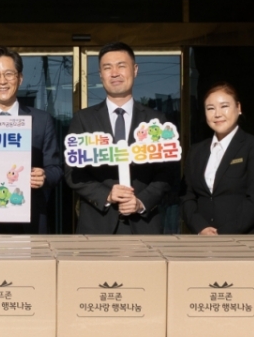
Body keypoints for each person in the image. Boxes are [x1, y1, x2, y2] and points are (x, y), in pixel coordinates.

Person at [66, 42, 178, 234]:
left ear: (135, 70)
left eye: (121, 66)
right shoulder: (83, 119)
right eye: (107, 68)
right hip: (97, 225)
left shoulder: (156, 121)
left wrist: (142, 201)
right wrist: (107, 195)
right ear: (101, 74)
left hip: (144, 225)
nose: (114, 73)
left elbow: (168, 172)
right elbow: (73, 173)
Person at [0, 47, 64, 234]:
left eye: (9, 74)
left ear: (20, 78)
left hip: (29, 218)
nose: (2, 81)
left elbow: (56, 168)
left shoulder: (42, 120)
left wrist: (43, 176)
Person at [181, 82, 254, 235]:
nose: (217, 114)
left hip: (244, 240)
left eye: (224, 106)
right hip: (203, 241)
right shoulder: (196, 151)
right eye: (210, 108)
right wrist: (200, 227)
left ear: (239, 108)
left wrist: (223, 234)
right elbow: (186, 196)